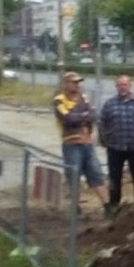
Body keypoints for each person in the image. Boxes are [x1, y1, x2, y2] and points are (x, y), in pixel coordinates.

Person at [52, 71, 109, 215]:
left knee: (96, 173)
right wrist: (83, 115)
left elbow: (93, 114)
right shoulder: (59, 100)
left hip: (87, 143)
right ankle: (75, 205)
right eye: (74, 82)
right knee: (73, 174)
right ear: (66, 83)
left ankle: (108, 205)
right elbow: (67, 118)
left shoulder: (84, 97)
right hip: (71, 143)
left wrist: (80, 115)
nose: (77, 85)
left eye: (78, 83)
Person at [98, 75, 134, 212]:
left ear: (130, 86)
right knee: (114, 179)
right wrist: (104, 139)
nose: (123, 87)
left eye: (125, 85)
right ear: (116, 87)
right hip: (115, 147)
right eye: (120, 85)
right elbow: (102, 123)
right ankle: (114, 205)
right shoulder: (109, 104)